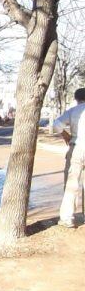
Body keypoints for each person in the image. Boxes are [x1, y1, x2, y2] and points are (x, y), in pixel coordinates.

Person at [52, 88, 85, 228]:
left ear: (76, 99)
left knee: (72, 182)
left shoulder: (73, 111)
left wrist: (66, 135)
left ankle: (67, 218)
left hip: (77, 146)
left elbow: (56, 124)